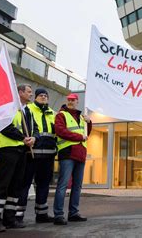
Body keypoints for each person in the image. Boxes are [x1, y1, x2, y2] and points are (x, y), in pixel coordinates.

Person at [0, 84, 36, 233]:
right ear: (20, 92)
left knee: (16, 186)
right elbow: (4, 126)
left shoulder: (25, 111)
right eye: (29, 92)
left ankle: (9, 218)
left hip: (21, 150)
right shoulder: (8, 107)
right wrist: (23, 138)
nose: (31, 95)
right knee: (3, 185)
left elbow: (33, 129)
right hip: (8, 150)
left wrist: (33, 138)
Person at [16, 88, 56, 224]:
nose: (43, 97)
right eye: (40, 95)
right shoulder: (28, 109)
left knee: (44, 185)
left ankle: (42, 214)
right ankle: (18, 215)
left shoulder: (53, 114)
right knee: (25, 184)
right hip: (31, 154)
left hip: (48, 156)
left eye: (45, 95)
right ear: (35, 98)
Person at [53, 93, 91, 225]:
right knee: (63, 184)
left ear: (77, 101)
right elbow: (60, 131)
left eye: (73, 100)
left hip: (80, 153)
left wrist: (89, 122)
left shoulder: (81, 117)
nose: (70, 101)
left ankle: (73, 213)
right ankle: (58, 215)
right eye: (69, 100)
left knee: (77, 186)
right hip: (67, 153)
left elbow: (86, 134)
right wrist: (79, 138)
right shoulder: (61, 115)